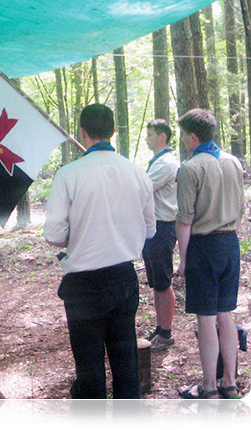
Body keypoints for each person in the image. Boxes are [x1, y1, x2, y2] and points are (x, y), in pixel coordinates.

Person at [43, 103, 155, 399]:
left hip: (85, 285)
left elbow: (54, 236)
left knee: (90, 368)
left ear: (83, 132)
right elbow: (151, 230)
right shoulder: (138, 173)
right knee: (125, 363)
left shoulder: (69, 174)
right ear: (113, 131)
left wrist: (80, 233)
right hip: (123, 277)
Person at [175, 109, 245, 399]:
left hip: (203, 246)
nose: (183, 141)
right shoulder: (233, 163)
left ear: (193, 137)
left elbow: (184, 220)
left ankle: (209, 386)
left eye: (184, 136)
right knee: (225, 314)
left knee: (206, 318)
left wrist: (183, 259)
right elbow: (240, 211)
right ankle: (230, 381)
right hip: (230, 244)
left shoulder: (190, 168)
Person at [142, 119, 179, 350]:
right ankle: (160, 327)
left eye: (150, 134)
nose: (147, 139)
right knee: (156, 282)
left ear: (162, 137)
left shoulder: (166, 163)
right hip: (153, 228)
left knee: (163, 282)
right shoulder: (158, 161)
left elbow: (142, 186)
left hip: (163, 227)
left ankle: (166, 333)